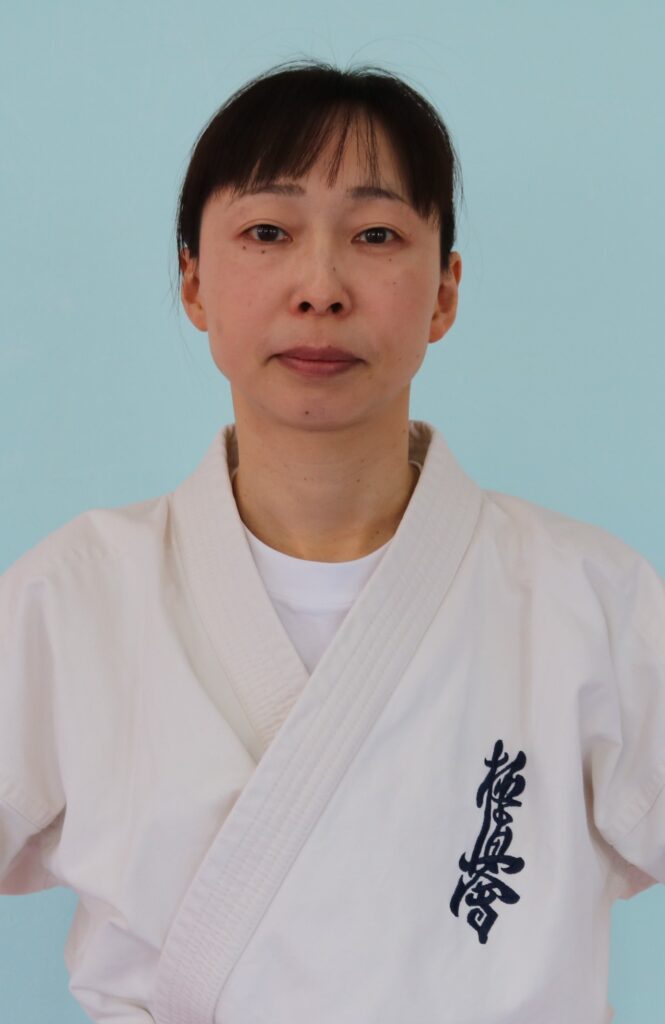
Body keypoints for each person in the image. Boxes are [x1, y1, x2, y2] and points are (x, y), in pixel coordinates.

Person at [1, 58, 663, 1024]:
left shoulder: (591, 598)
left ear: (444, 293)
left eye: (376, 235)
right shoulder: (71, 598)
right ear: (193, 282)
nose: (319, 287)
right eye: (267, 233)